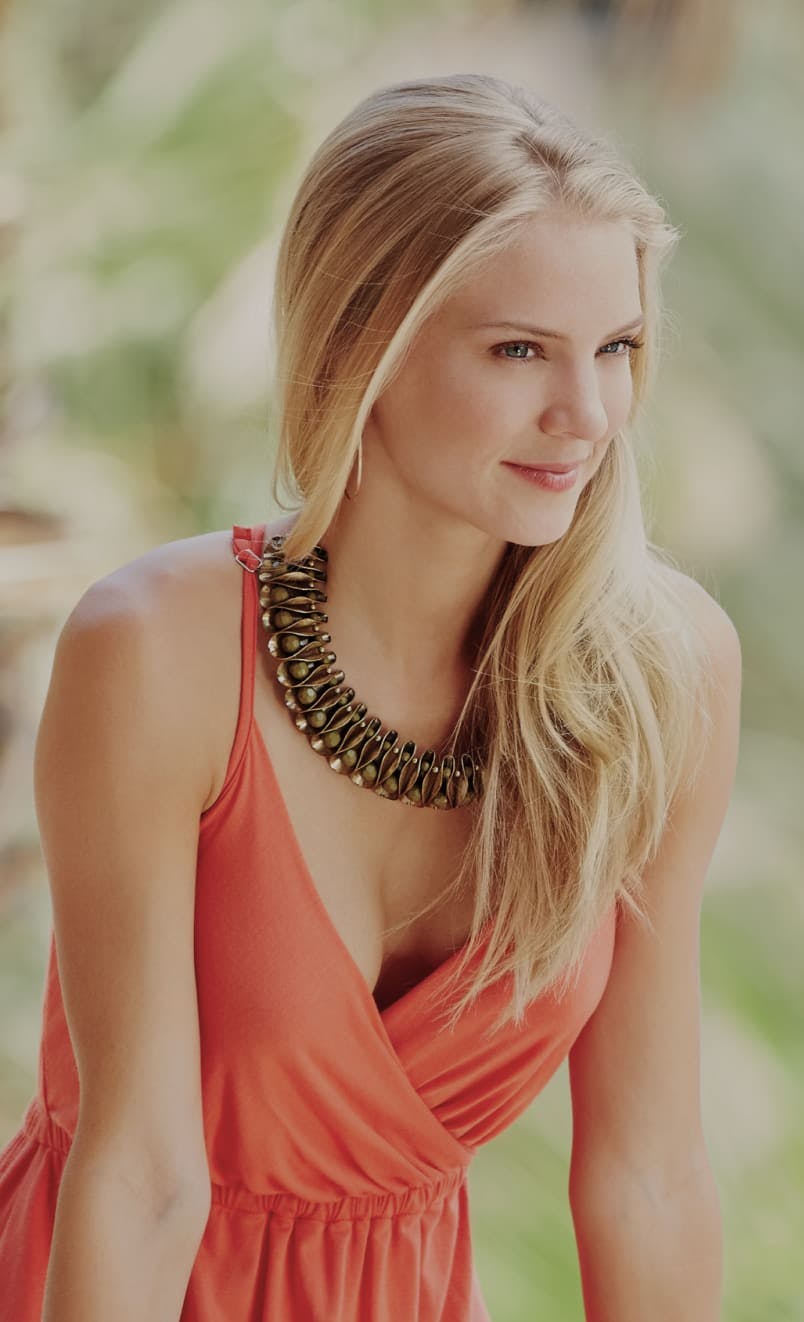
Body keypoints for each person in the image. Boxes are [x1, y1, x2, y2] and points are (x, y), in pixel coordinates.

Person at [0, 73, 740, 1321]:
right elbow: (143, 1174)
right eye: (519, 349)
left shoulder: (660, 676)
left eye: (615, 348)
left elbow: (647, 1176)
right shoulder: (156, 654)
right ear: (361, 342)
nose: (588, 414)